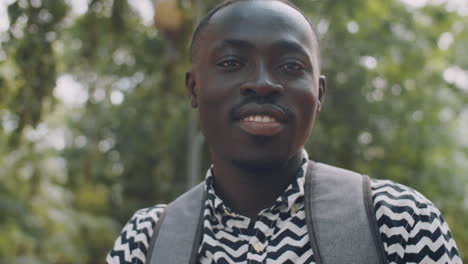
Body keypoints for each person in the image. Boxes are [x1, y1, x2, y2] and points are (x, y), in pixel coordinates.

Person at [106, 0, 461, 263]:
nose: (262, 84)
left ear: (319, 94)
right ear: (194, 89)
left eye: (290, 65)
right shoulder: (146, 240)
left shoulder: (399, 223)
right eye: (232, 63)